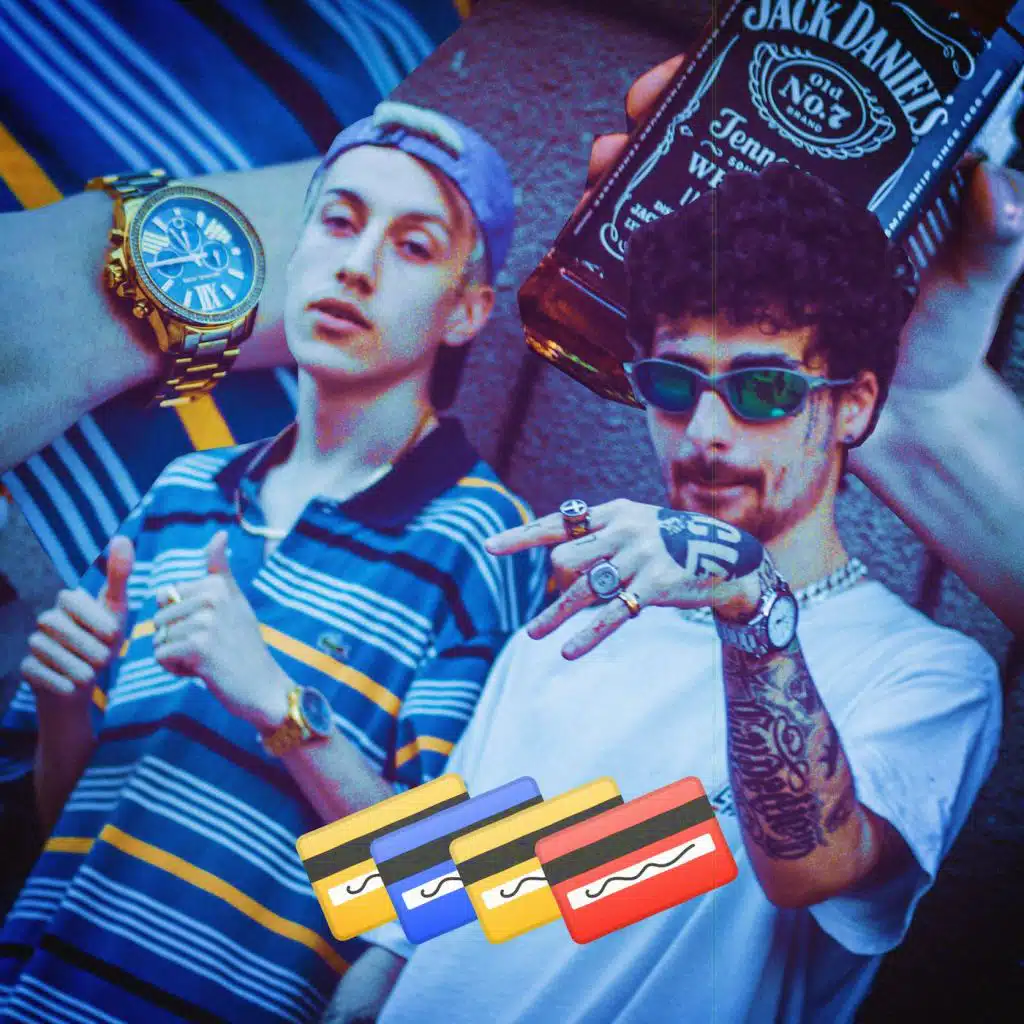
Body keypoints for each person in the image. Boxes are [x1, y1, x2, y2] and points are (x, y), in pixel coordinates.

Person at [336, 162, 1002, 1023]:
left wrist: (749, 602)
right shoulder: (580, 611)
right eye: (674, 387)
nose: (706, 434)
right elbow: (425, 907)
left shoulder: (928, 672)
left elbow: (813, 868)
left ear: (853, 406)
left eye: (763, 390)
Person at [0, 101, 547, 1024]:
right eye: (337, 221)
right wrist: (62, 705)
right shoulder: (183, 490)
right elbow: (71, 827)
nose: (356, 265)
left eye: (413, 246)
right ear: (291, 255)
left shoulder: (488, 543)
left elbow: (452, 896)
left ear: (466, 310)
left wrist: (277, 704)